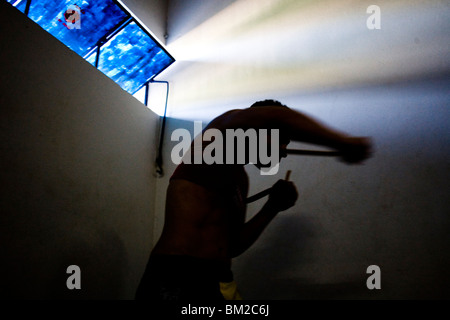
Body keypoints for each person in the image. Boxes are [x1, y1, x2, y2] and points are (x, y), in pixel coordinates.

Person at [135, 100, 372, 301]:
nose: (284, 151)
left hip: (216, 280)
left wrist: (272, 207)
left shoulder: (240, 178)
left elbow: (233, 246)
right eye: (282, 141)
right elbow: (275, 116)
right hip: (176, 276)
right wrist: (341, 142)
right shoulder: (215, 142)